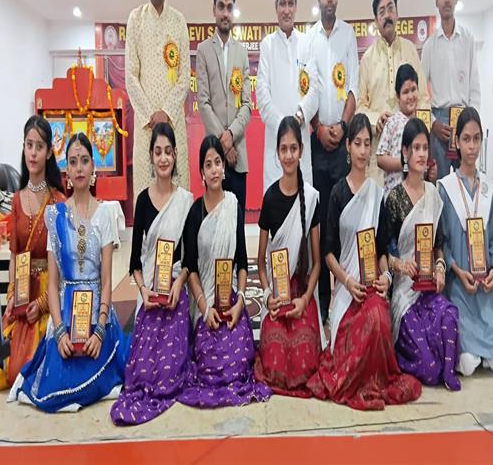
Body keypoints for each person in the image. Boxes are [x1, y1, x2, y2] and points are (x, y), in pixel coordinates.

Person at [306, 114, 421, 409]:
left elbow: (382, 250)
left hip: (372, 285)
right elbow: (328, 253)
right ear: (347, 146)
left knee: (379, 318)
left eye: (367, 144)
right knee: (364, 322)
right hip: (348, 288)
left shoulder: (376, 195)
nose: (362, 150)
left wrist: (386, 278)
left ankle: (373, 379)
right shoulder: (337, 194)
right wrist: (346, 282)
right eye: (357, 143)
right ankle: (353, 376)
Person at [9, 133, 129, 412]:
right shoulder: (56, 216)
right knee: (55, 387)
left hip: (97, 311)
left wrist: (100, 330)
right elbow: (53, 284)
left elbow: (107, 280)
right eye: (73, 162)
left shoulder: (105, 214)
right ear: (67, 171)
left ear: (93, 167)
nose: (79, 168)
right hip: (65, 310)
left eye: (84, 161)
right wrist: (60, 331)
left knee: (96, 372)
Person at [179, 136, 271, 408]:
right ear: (201, 173)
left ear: (224, 167)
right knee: (209, 363)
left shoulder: (233, 206)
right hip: (205, 304)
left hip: (230, 300)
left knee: (240, 359)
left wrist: (240, 300)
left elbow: (242, 262)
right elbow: (191, 268)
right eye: (208, 165)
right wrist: (204, 308)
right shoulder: (195, 213)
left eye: (218, 162)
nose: (214, 170)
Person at [111, 123, 194, 425]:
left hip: (174, 291)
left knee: (170, 371)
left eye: (168, 151)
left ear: (175, 155)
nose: (163, 158)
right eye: (158, 152)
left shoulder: (185, 201)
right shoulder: (143, 201)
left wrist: (178, 284)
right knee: (143, 373)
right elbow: (135, 261)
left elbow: (190, 258)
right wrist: (144, 291)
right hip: (149, 293)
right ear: (151, 156)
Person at [0, 116, 65, 391]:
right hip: (21, 292)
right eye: (29, 145)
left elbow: (63, 265)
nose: (33, 152)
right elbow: (15, 255)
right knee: (1, 371)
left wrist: (42, 304)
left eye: (39, 146)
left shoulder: (58, 201)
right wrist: (11, 298)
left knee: (37, 368)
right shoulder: (17, 200)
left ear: (49, 152)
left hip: (49, 294)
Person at [301, 0, 359, 325]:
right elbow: (305, 88)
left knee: (343, 220)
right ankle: (323, 302)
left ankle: (348, 295)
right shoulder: (308, 38)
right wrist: (318, 127)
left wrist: (342, 126)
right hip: (315, 142)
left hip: (341, 145)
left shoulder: (348, 35)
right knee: (319, 224)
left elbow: (352, 88)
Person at [438, 107, 493, 377]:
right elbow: (442, 243)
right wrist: (457, 271)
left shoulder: (489, 189)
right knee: (468, 365)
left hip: (485, 290)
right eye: (466, 139)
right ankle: (475, 353)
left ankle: (488, 352)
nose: (472, 146)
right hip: (460, 287)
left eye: (476, 139)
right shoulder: (445, 188)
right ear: (457, 142)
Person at [386, 118, 460, 390]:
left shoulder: (433, 194)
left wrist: (439, 267)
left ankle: (445, 370)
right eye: (415, 148)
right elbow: (385, 254)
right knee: (429, 369)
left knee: (449, 318)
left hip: (430, 289)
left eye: (424, 148)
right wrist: (401, 265)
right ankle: (402, 358)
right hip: (405, 291)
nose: (421, 154)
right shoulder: (394, 198)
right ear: (405, 152)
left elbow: (438, 245)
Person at [254, 117, 324, 397]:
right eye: (283, 149)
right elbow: (260, 262)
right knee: (275, 363)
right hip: (278, 296)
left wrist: (305, 299)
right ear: (277, 152)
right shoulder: (270, 198)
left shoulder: (312, 198)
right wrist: (268, 295)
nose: (288, 155)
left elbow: (317, 263)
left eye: (293, 148)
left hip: (302, 293)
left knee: (305, 361)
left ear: (301, 150)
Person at [126, 0, 191, 200]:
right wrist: (152, 115)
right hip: (146, 128)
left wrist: (166, 112)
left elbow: (184, 76)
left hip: (174, 124)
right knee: (146, 199)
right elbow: (131, 76)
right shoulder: (135, 19)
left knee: (178, 199)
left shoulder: (179, 21)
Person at [357, 0, 429, 184]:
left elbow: (424, 99)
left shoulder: (410, 50)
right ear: (376, 20)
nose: (387, 15)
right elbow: (360, 107)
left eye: (390, 8)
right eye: (381, 12)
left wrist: (417, 132)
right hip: (378, 158)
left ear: (397, 13)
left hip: (410, 157)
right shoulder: (367, 59)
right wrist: (376, 119)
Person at [256, 0, 318, 191]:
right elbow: (262, 95)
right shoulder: (267, 45)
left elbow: (314, 90)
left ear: (296, 6)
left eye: (290, 3)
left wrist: (298, 117)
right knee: (276, 204)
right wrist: (284, 126)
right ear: (276, 7)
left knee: (304, 204)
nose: (286, 10)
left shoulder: (307, 43)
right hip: (276, 145)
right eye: (282, 3)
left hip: (301, 141)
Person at [197, 0, 252, 213]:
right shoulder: (203, 50)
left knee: (237, 222)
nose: (225, 13)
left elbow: (247, 104)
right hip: (214, 157)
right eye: (221, 6)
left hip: (239, 157)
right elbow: (203, 102)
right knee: (214, 220)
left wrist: (231, 135)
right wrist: (223, 143)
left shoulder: (242, 52)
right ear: (214, 10)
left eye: (230, 7)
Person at [422, 0, 481, 179]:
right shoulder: (429, 46)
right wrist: (433, 124)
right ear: (436, 1)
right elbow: (421, 95)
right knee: (438, 183)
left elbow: (474, 87)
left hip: (464, 119)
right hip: (439, 124)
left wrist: (472, 123)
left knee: (466, 180)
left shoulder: (468, 39)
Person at [377, 64, 436, 199]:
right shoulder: (392, 122)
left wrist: (432, 172)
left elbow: (426, 161)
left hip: (418, 196)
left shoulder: (423, 122)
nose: (410, 96)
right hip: (395, 197)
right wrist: (405, 163)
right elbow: (380, 158)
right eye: (405, 92)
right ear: (398, 96)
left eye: (413, 90)